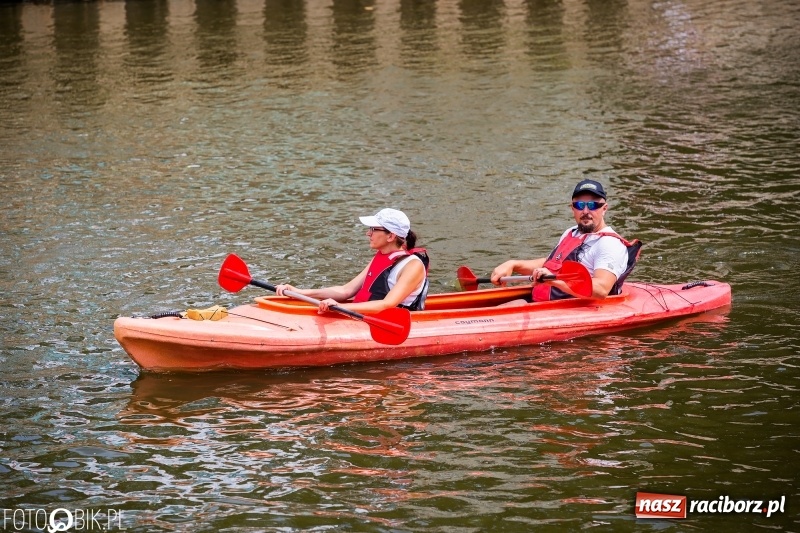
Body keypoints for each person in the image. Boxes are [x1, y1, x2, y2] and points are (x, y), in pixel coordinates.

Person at [490, 179, 641, 300]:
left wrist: (554, 281)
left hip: (573, 308)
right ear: (572, 208)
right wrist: (514, 264)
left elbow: (601, 289)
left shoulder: (609, 244)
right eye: (580, 205)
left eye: (593, 205)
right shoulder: (572, 232)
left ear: (604, 208)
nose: (586, 211)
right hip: (546, 301)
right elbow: (552, 263)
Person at [276, 208, 430, 313]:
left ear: (391, 236)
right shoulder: (382, 256)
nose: (368, 234)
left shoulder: (412, 266)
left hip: (387, 321)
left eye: (373, 230)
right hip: (361, 316)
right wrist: (300, 292)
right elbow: (346, 291)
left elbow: (387, 304)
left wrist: (342, 307)